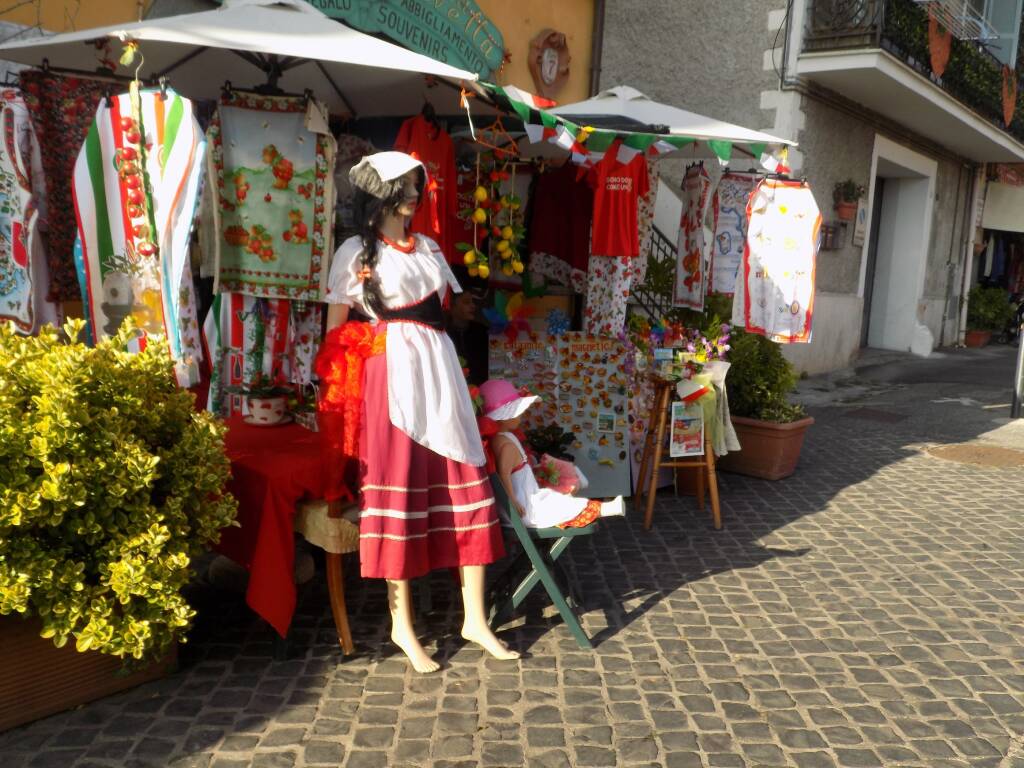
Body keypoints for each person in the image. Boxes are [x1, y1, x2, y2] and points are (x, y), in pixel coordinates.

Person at [322, 151, 518, 673]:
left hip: (441, 370)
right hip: (390, 376)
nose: (415, 194)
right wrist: (357, 373)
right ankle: (401, 625)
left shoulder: (429, 247)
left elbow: (451, 310)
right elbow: (335, 332)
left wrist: (472, 305)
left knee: (466, 478)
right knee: (400, 486)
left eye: (417, 185)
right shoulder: (354, 253)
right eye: (406, 186)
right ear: (381, 193)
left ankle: (474, 619)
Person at [481, 379, 624, 528]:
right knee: (561, 505)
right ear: (504, 418)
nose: (521, 417)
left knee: (554, 498)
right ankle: (605, 508)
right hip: (525, 508)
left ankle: (585, 493)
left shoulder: (501, 438)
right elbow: (504, 476)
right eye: (517, 414)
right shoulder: (506, 446)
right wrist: (513, 502)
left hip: (526, 498)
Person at [445, 265, 490, 386]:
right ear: (452, 306)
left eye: (473, 302)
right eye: (466, 302)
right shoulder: (444, 334)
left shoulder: (481, 333)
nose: (473, 306)